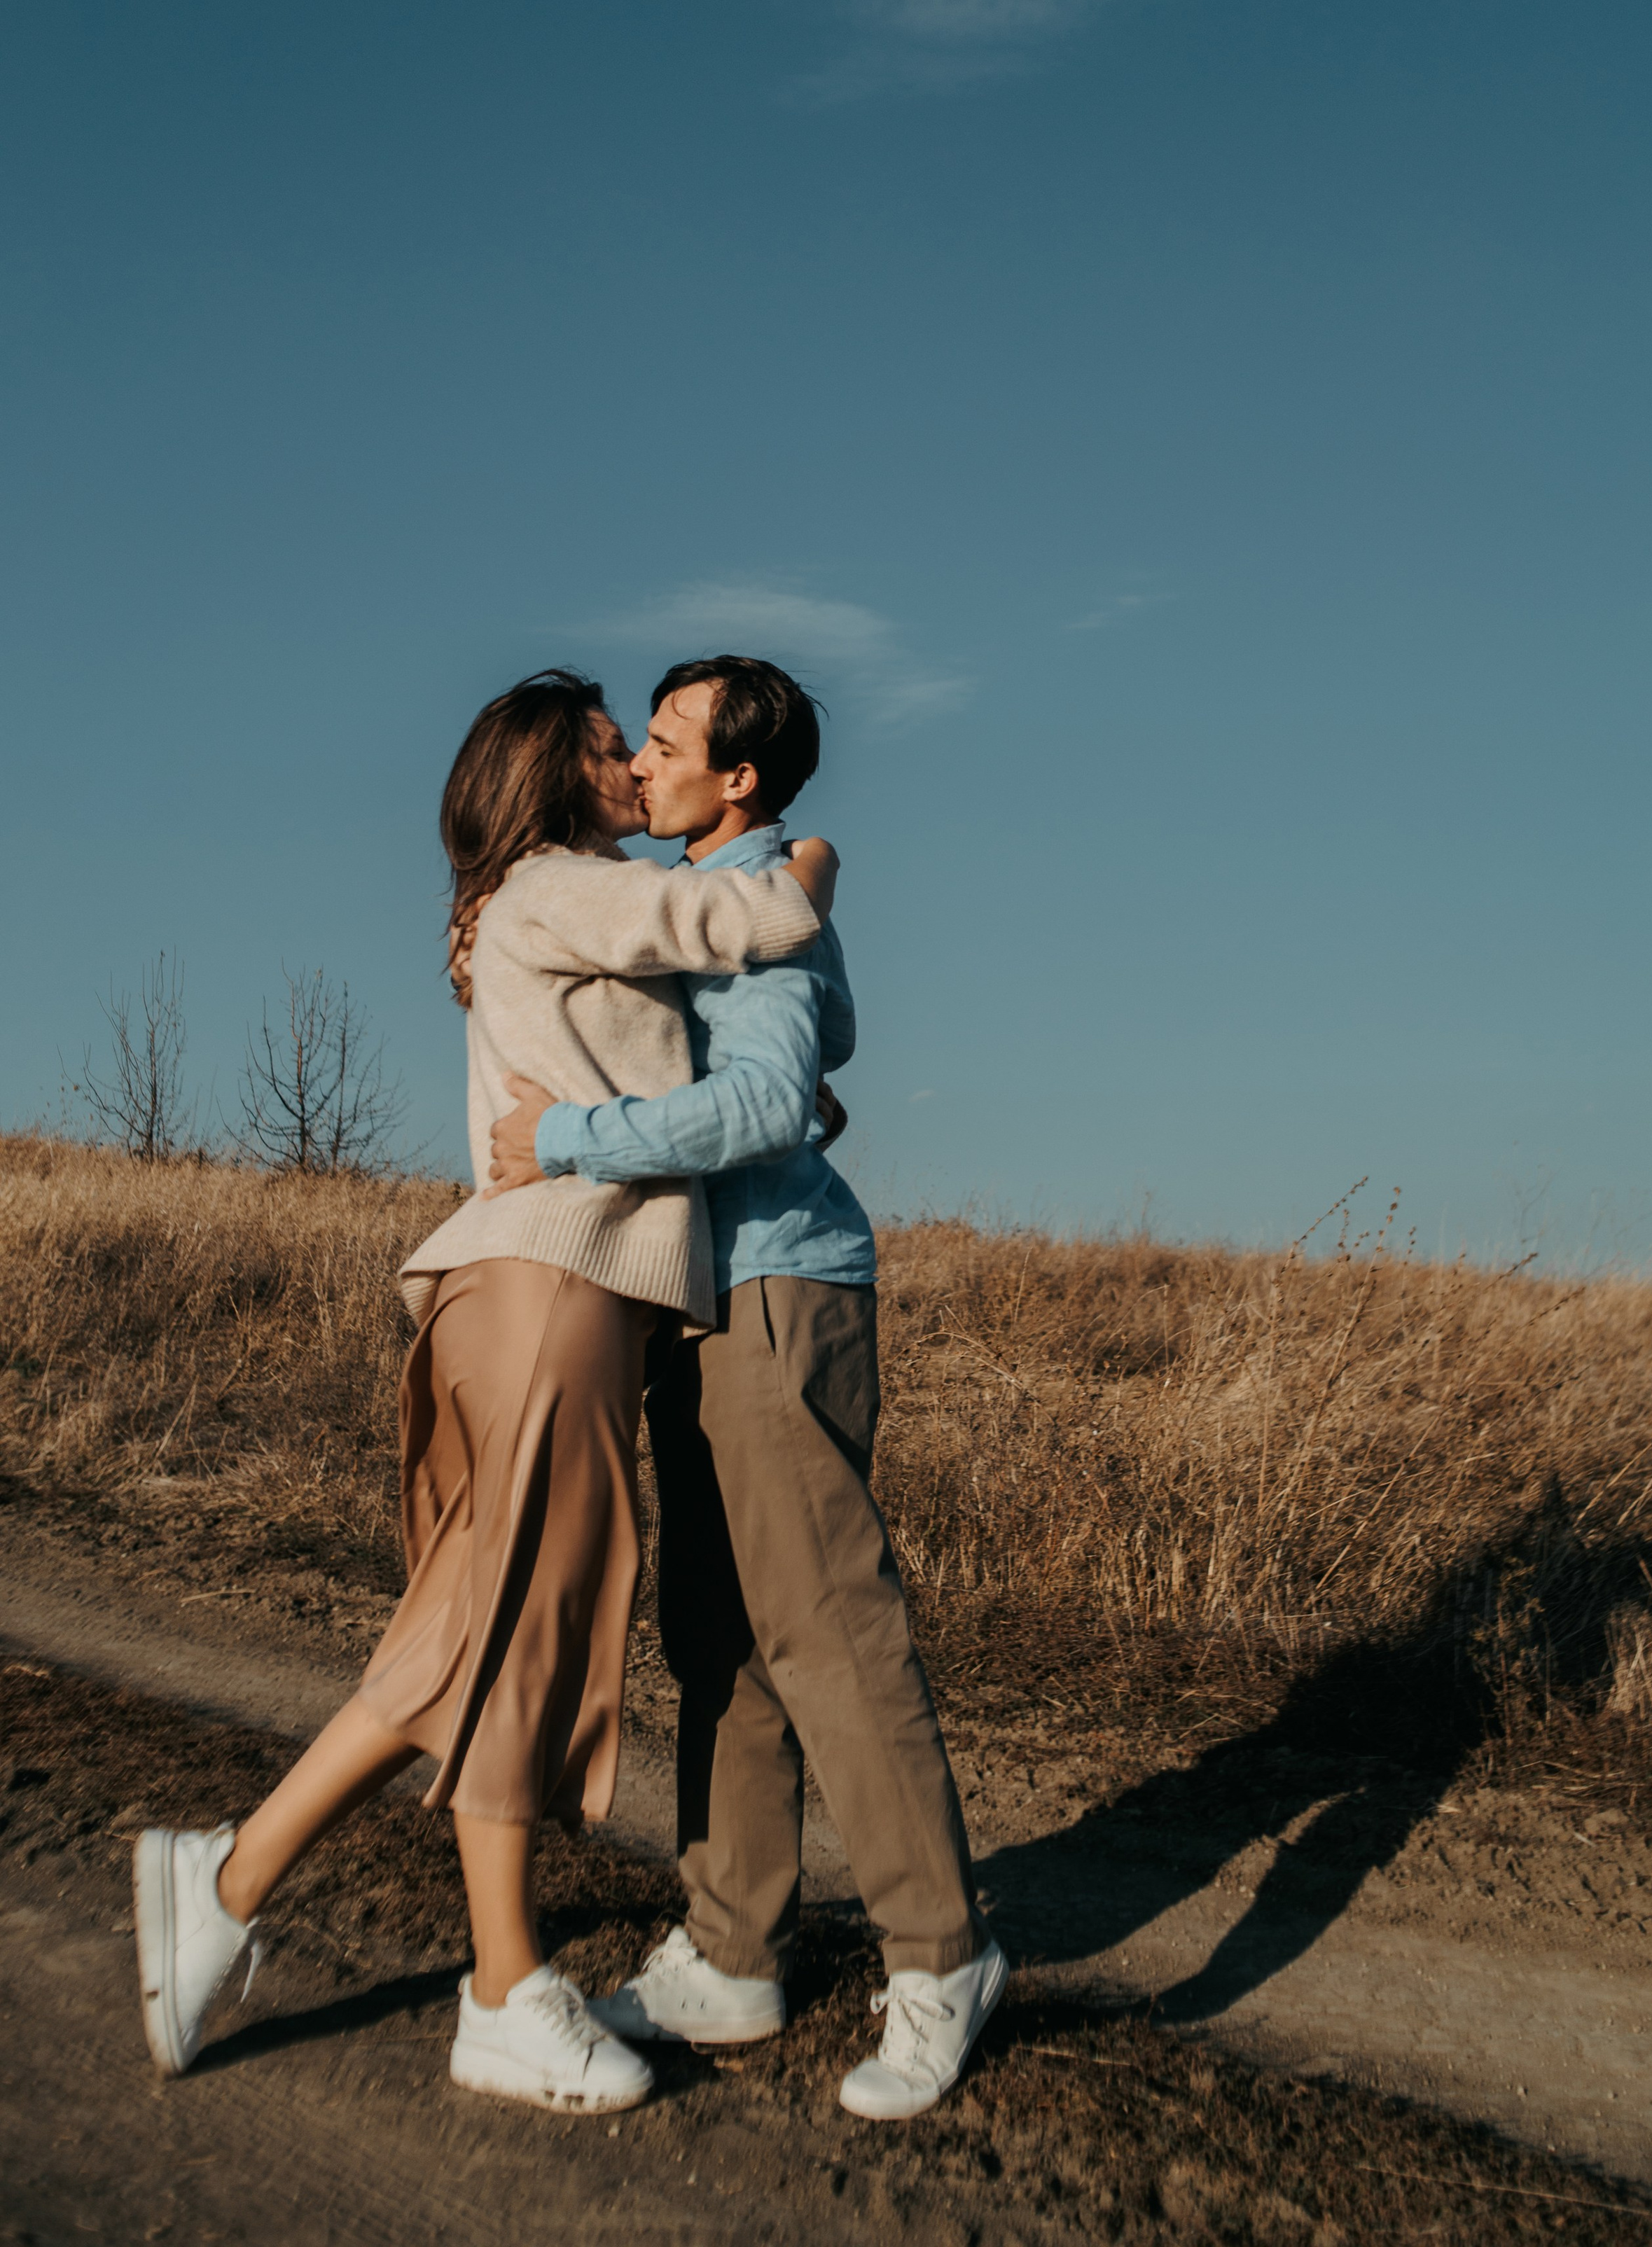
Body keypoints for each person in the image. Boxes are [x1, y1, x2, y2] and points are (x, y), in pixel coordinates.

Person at [131, 667, 838, 2111]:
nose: (636, 769)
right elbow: (751, 916)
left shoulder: (548, 904)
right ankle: (498, 1988)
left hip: (528, 1294)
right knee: (515, 1628)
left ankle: (238, 1877)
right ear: (555, 782)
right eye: (608, 748)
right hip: (554, 1290)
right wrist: (808, 856)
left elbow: (749, 1065)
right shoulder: (558, 883)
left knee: (474, 1624)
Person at [487, 657, 1005, 2122]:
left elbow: (778, 1098)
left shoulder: (761, 893)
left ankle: (942, 1954)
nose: (638, 766)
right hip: (709, 1299)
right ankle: (729, 1947)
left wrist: (571, 1136)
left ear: (738, 783)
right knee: (720, 1640)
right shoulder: (712, 901)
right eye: (640, 741)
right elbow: (804, 1064)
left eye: (663, 745)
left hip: (781, 1287)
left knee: (828, 1629)